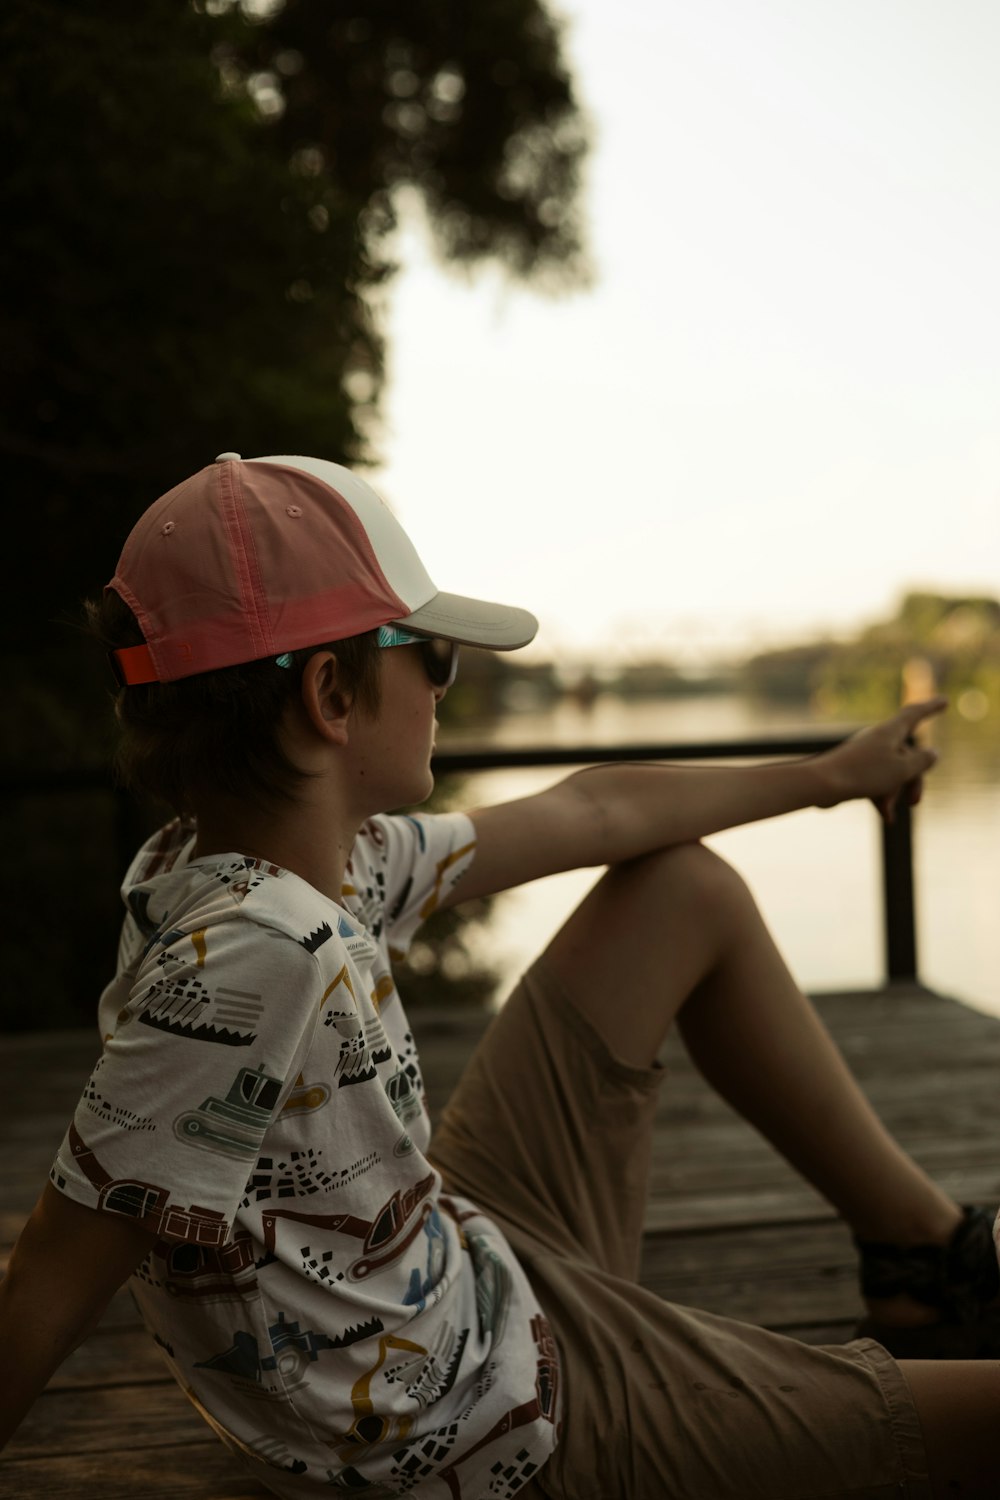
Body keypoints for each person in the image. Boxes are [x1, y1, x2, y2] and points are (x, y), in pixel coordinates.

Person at [0, 452, 997, 1499]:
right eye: (430, 655)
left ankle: (920, 1259)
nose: (441, 686)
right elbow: (51, 1278)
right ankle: (927, 1279)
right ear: (333, 694)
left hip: (455, 1280)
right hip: (491, 1433)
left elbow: (593, 813)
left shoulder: (249, 867)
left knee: (677, 891)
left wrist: (830, 776)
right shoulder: (257, 954)